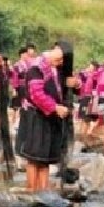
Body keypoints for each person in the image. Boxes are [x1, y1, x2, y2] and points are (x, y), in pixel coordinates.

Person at [20, 45, 72, 191]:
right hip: (37, 116)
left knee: (46, 157)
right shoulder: (36, 69)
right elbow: (36, 94)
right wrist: (55, 107)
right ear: (52, 57)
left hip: (51, 117)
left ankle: (43, 191)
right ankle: (31, 190)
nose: (60, 63)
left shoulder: (55, 69)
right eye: (58, 60)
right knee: (34, 156)